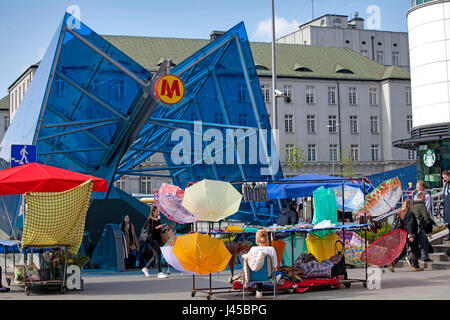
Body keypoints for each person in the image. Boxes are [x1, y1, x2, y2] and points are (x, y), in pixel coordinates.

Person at [390, 199, 424, 272]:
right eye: (412, 204)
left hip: (402, 234)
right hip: (409, 234)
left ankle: (393, 262)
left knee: (403, 250)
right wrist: (411, 235)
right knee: (414, 249)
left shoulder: (400, 212)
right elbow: (410, 225)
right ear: (409, 205)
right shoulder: (409, 213)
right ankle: (415, 266)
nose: (412, 206)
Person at [246, 230, 277, 299]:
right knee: (274, 271)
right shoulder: (271, 249)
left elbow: (249, 264)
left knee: (257, 267)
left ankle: (259, 291)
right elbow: (275, 265)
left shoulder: (252, 249)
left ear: (256, 240)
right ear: (267, 239)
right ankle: (274, 280)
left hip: (253, 275)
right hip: (267, 275)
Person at [141, 206, 169, 278]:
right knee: (158, 254)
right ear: (153, 212)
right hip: (152, 239)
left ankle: (146, 268)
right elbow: (150, 231)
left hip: (157, 239)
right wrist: (157, 227)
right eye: (157, 211)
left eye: (158, 211)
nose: (158, 212)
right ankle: (159, 273)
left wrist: (164, 229)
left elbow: (159, 231)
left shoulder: (157, 220)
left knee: (155, 256)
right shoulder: (150, 220)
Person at [411, 192, 435, 262]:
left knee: (421, 240)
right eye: (424, 197)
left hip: (413, 226)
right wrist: (433, 223)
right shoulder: (421, 205)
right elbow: (426, 216)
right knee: (423, 240)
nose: (425, 199)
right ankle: (423, 256)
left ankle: (426, 253)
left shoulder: (412, 205)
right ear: (421, 197)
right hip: (419, 225)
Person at [442, 171, 450, 240]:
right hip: (447, 203)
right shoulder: (446, 184)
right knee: (447, 220)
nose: (444, 179)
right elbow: (443, 193)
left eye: (445, 177)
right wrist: (444, 185)